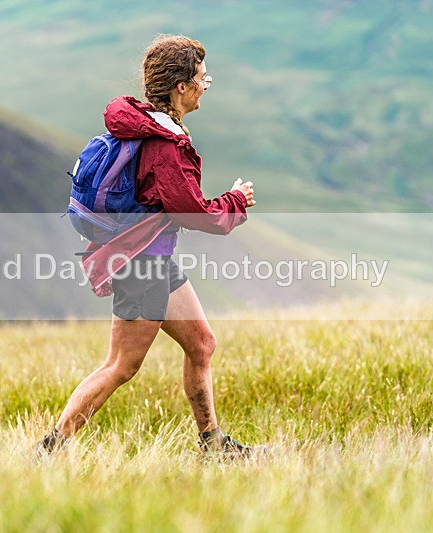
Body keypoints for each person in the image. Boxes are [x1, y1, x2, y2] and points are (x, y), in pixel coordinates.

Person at [37, 35, 264, 460]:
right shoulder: (163, 144)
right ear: (181, 86)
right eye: (202, 78)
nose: (205, 85)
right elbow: (192, 213)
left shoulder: (146, 123)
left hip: (152, 260)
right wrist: (234, 201)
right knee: (121, 366)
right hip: (142, 268)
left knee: (201, 344)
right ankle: (51, 449)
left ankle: (214, 446)